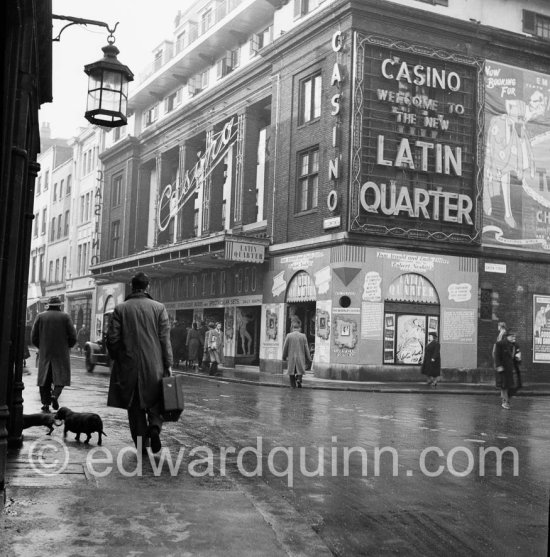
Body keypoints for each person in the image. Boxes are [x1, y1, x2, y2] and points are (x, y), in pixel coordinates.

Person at [106, 272, 173, 454]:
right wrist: (167, 364)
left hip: (129, 367)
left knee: (134, 407)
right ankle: (155, 428)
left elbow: (112, 339)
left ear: (132, 286)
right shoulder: (159, 308)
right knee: (156, 400)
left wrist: (120, 357)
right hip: (154, 365)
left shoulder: (121, 309)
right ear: (147, 287)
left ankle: (142, 444)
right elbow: (164, 340)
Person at [31, 296, 77, 412]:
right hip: (61, 353)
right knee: (61, 377)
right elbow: (73, 336)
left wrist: (42, 347)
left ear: (48, 305)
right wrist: (67, 346)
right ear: (59, 305)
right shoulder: (65, 317)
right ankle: (55, 395)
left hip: (45, 353)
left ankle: (45, 404)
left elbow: (33, 337)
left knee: (44, 380)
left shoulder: (40, 316)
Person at [282, 322, 311, 388]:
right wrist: (309, 358)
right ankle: (299, 379)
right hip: (300, 358)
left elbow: (285, 347)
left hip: (291, 359)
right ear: (299, 328)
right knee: (300, 370)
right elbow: (306, 348)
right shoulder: (303, 336)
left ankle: (293, 386)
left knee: (291, 373)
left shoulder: (289, 335)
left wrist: (284, 357)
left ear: (292, 328)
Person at [493, 329, 517, 409]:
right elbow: (496, 356)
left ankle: (505, 399)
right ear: (507, 337)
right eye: (512, 336)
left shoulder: (513, 345)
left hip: (509, 369)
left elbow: (512, 357)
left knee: (508, 385)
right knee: (504, 385)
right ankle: (505, 401)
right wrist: (499, 366)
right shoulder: (500, 344)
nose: (514, 338)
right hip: (502, 368)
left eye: (514, 336)